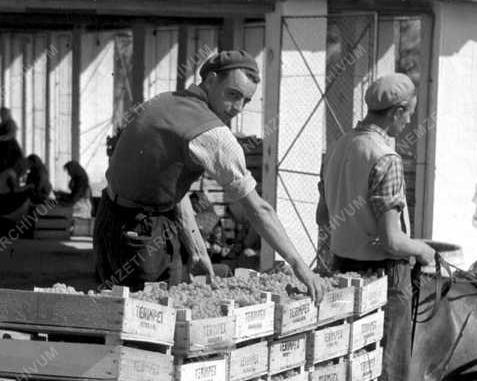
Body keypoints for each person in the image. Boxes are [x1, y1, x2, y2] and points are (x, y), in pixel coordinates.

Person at [93, 49, 324, 301]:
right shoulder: (212, 134)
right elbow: (258, 209)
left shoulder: (166, 101)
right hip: (142, 231)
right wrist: (299, 265)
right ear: (211, 80)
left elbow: (171, 185)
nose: (238, 108)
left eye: (246, 101)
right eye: (233, 95)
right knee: (150, 318)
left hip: (110, 220)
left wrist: (197, 248)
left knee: (116, 311)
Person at [318, 73, 437, 381]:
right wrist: (423, 249)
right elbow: (392, 241)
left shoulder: (338, 147)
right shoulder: (386, 158)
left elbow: (324, 217)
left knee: (347, 368)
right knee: (390, 373)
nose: (409, 122)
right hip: (384, 279)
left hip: (341, 271)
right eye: (409, 115)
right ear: (397, 112)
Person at [0, 155, 32, 227]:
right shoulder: (10, 173)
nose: (25, 172)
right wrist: (28, 186)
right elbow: (15, 190)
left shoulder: (10, 172)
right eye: (25, 169)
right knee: (27, 197)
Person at [0, 107, 23, 179]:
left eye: (3, 114)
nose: (2, 116)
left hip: (9, 149)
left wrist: (2, 138)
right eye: (1, 114)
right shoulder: (0, 124)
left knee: (7, 166)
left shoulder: (11, 123)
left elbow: (11, 134)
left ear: (7, 114)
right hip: (0, 150)